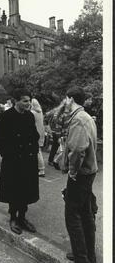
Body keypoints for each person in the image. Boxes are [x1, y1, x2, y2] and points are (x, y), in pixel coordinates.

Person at [0, 89, 39, 235]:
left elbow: (34, 135)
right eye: (25, 101)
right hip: (13, 160)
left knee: (26, 189)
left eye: (29, 101)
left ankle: (22, 217)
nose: (28, 104)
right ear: (16, 101)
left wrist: (34, 150)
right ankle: (13, 218)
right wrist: (9, 154)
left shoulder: (30, 116)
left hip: (28, 159)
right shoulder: (5, 117)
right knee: (14, 190)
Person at [63, 86, 98, 263]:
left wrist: (72, 172)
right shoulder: (86, 117)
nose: (64, 103)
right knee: (85, 214)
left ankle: (81, 257)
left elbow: (77, 150)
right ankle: (88, 255)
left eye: (66, 99)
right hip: (89, 172)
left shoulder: (78, 119)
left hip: (81, 174)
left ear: (70, 99)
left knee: (72, 216)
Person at [31, 98, 45, 177]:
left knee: (37, 151)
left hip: (35, 133)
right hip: (41, 132)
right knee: (37, 150)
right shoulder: (40, 112)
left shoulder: (32, 112)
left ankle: (42, 169)